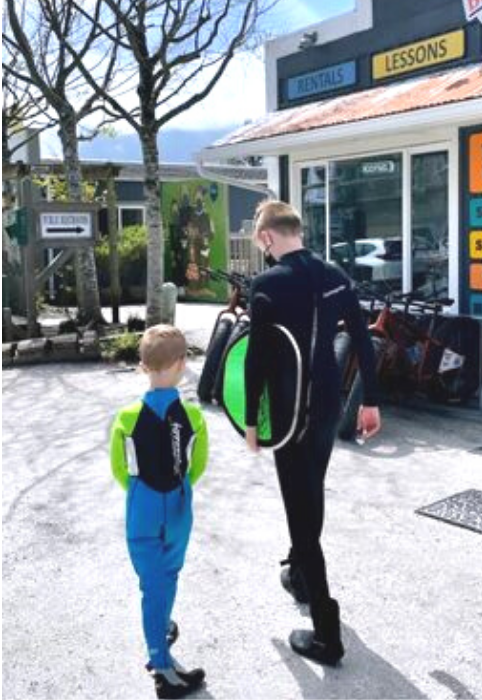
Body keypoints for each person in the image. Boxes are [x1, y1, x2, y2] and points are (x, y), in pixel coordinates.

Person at [243, 200, 382, 665]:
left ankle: (326, 632)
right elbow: (363, 339)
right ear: (296, 231)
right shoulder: (335, 275)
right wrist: (370, 400)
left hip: (288, 416)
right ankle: (300, 574)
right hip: (327, 405)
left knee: (300, 509)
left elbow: (257, 362)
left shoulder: (264, 285)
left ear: (266, 238)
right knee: (311, 489)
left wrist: (249, 422)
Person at [108, 325, 210, 699]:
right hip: (179, 506)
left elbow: (118, 467)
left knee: (151, 582)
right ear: (182, 365)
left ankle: (160, 632)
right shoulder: (194, 416)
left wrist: (138, 491)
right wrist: (177, 487)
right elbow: (198, 464)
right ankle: (163, 668)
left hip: (141, 508)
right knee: (168, 574)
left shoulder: (127, 417)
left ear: (141, 366)